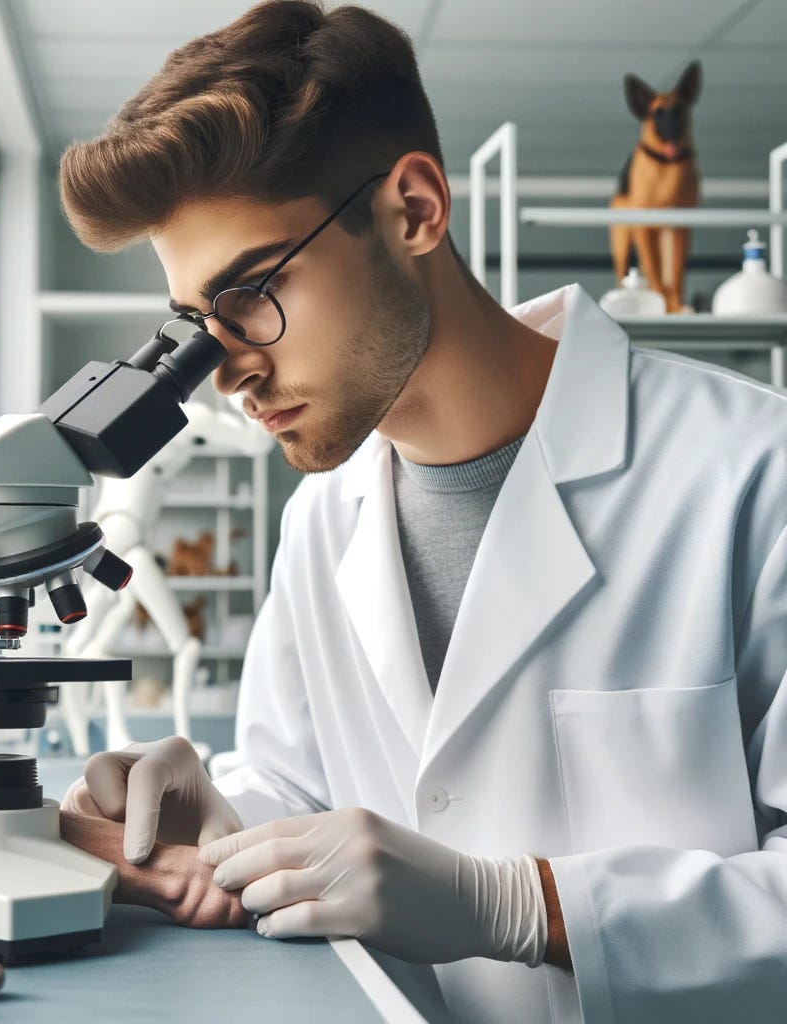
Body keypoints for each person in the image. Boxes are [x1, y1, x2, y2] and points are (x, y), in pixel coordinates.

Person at [57, 2, 787, 1020]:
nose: (226, 369)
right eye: (195, 323)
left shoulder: (754, 472)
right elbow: (317, 802)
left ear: (412, 210)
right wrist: (223, 815)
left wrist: (524, 905)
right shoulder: (323, 522)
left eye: (254, 288)